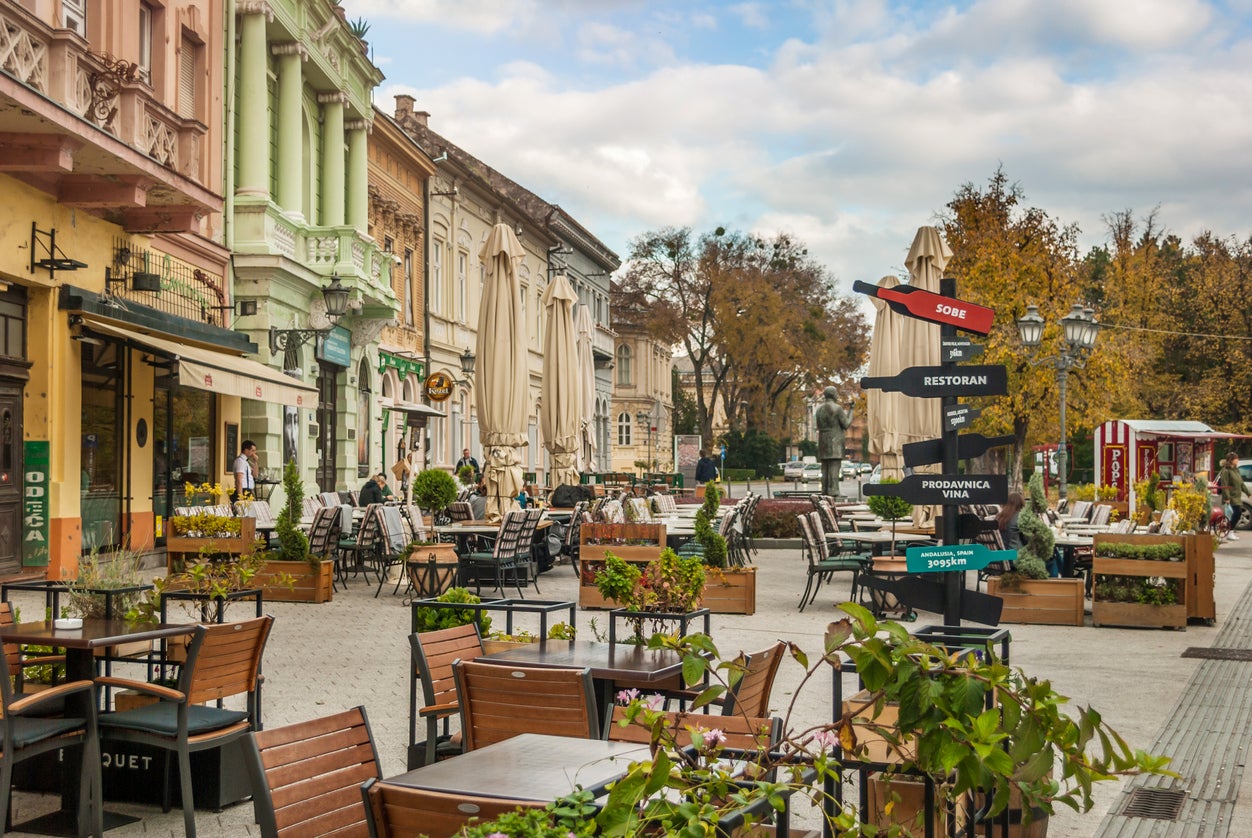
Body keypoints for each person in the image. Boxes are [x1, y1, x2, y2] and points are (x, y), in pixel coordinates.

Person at [814, 387, 853, 497]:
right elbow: (846, 424)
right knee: (834, 467)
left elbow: (818, 426)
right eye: (836, 393)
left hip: (823, 440)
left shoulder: (819, 410)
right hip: (834, 441)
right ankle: (833, 491)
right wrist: (851, 410)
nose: (837, 395)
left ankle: (825, 490)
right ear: (833, 394)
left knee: (825, 467)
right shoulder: (837, 408)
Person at [1218, 452, 1246, 540]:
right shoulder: (1226, 470)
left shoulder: (1236, 470)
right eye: (1236, 458)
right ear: (1231, 460)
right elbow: (1224, 485)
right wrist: (1226, 498)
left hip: (1236, 496)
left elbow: (1241, 483)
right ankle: (1228, 531)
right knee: (1236, 513)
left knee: (1235, 514)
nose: (1238, 460)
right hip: (1230, 496)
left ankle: (1228, 531)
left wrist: (1248, 493)